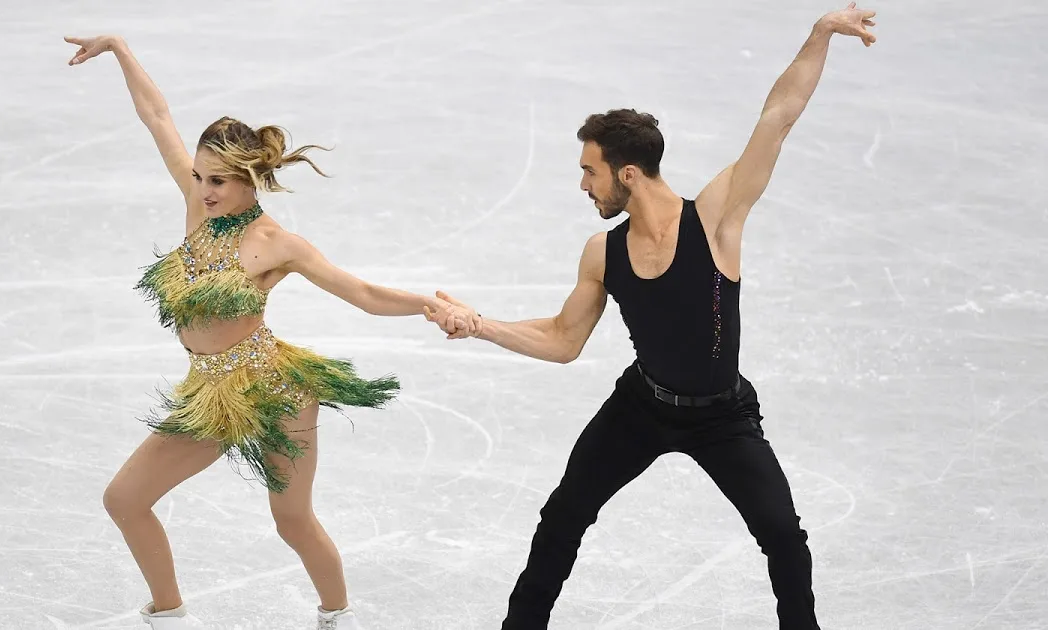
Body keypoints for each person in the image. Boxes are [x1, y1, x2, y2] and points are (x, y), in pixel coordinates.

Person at [424, 5, 877, 628]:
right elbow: (562, 340)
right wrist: (481, 325)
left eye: (591, 171)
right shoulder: (602, 253)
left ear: (627, 174)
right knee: (562, 517)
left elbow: (778, 117)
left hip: (721, 415)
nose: (584, 185)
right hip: (641, 406)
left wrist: (820, 32)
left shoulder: (715, 219)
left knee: (783, 537)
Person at [63, 35, 465, 630]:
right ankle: (169, 614)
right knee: (124, 499)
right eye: (200, 176)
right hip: (210, 390)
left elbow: (363, 294)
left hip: (272, 388)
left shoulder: (277, 244)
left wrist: (430, 305)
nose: (204, 189)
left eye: (220, 180)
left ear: (253, 179)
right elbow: (157, 116)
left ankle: (339, 617)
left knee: (292, 520)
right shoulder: (199, 207)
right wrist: (120, 48)